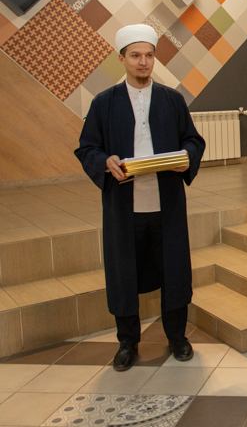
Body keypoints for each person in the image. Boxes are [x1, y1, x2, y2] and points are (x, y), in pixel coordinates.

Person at [75, 24, 205, 371]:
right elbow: (87, 148)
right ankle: (127, 343)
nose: (143, 62)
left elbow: (193, 140)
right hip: (124, 207)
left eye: (148, 55)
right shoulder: (104, 103)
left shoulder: (172, 100)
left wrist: (187, 157)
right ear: (122, 59)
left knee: (174, 271)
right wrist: (105, 161)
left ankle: (177, 337)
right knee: (124, 274)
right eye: (135, 55)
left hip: (167, 205)